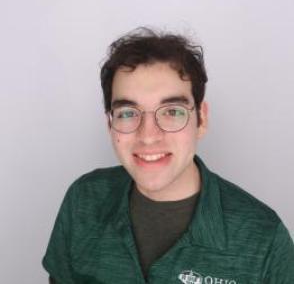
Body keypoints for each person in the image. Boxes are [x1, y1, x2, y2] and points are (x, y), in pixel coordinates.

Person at [43, 27, 294, 284]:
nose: (148, 136)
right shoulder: (83, 200)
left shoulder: (264, 238)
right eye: (128, 113)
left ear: (202, 119)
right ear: (110, 125)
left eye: (172, 111)